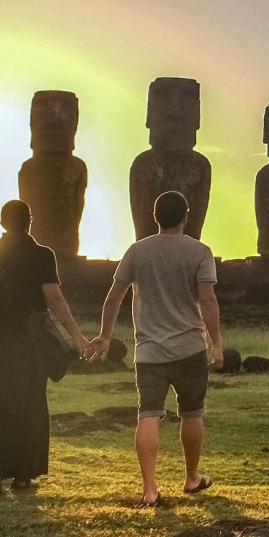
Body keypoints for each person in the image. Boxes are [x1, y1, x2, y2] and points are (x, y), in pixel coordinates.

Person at [95, 190, 224, 507]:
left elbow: (114, 297)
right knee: (192, 413)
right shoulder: (200, 252)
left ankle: (150, 489)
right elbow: (207, 300)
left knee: (148, 414)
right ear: (186, 216)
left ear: (155, 217)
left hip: (149, 349)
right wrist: (216, 343)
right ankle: (192, 477)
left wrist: (105, 336)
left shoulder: (137, 252)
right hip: (190, 346)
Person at [0, 200, 88, 494]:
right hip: (30, 340)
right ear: (30, 222)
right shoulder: (42, 256)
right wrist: (76, 336)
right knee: (29, 403)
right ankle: (23, 473)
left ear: (2, 223)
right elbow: (54, 299)